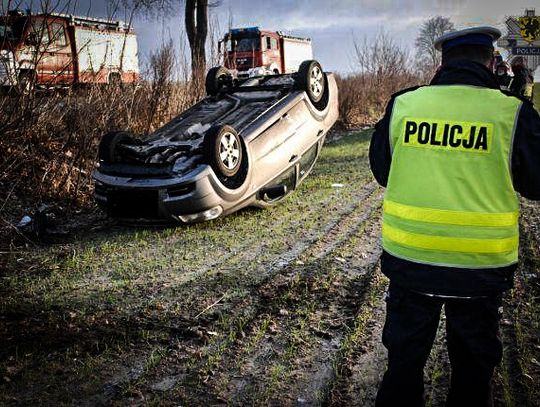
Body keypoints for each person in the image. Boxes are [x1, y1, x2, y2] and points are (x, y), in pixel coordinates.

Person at [369, 26, 540, 407]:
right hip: (479, 269)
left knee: (403, 368)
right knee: (472, 375)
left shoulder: (405, 105)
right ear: (491, 62)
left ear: (441, 62)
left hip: (412, 264)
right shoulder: (510, 113)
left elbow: (382, 170)